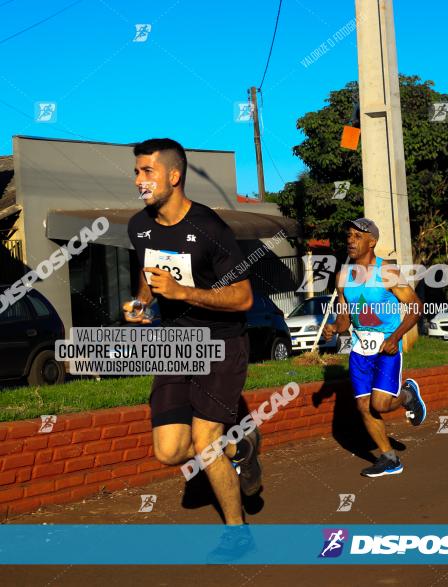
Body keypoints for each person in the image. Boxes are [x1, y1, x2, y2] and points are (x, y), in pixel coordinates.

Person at [124, 138, 261, 560]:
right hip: (175, 343)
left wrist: (184, 292)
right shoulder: (138, 226)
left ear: (174, 175)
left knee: (204, 442)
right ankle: (241, 444)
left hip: (222, 342)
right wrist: (143, 303)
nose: (139, 180)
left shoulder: (210, 229)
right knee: (168, 452)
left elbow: (242, 298)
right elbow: (149, 276)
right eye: (136, 172)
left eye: (148, 171)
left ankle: (238, 534)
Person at [322, 218, 427, 477]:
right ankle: (389, 458)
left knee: (380, 404)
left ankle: (408, 396)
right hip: (360, 350)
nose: (350, 240)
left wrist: (396, 337)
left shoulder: (387, 272)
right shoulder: (343, 276)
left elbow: (416, 306)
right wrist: (335, 327)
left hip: (386, 348)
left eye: (357, 236)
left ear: (372, 241)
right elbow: (346, 316)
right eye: (349, 235)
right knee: (363, 406)